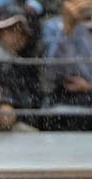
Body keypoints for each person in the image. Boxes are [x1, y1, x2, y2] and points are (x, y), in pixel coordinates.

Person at [0, 3, 44, 131]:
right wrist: (4, 103)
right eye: (2, 31)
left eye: (13, 29)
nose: (6, 36)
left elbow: (39, 97)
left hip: (38, 129)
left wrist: (12, 106)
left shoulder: (39, 59)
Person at [42, 0, 92, 130]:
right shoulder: (52, 26)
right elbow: (53, 72)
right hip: (64, 97)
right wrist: (67, 30)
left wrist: (89, 87)